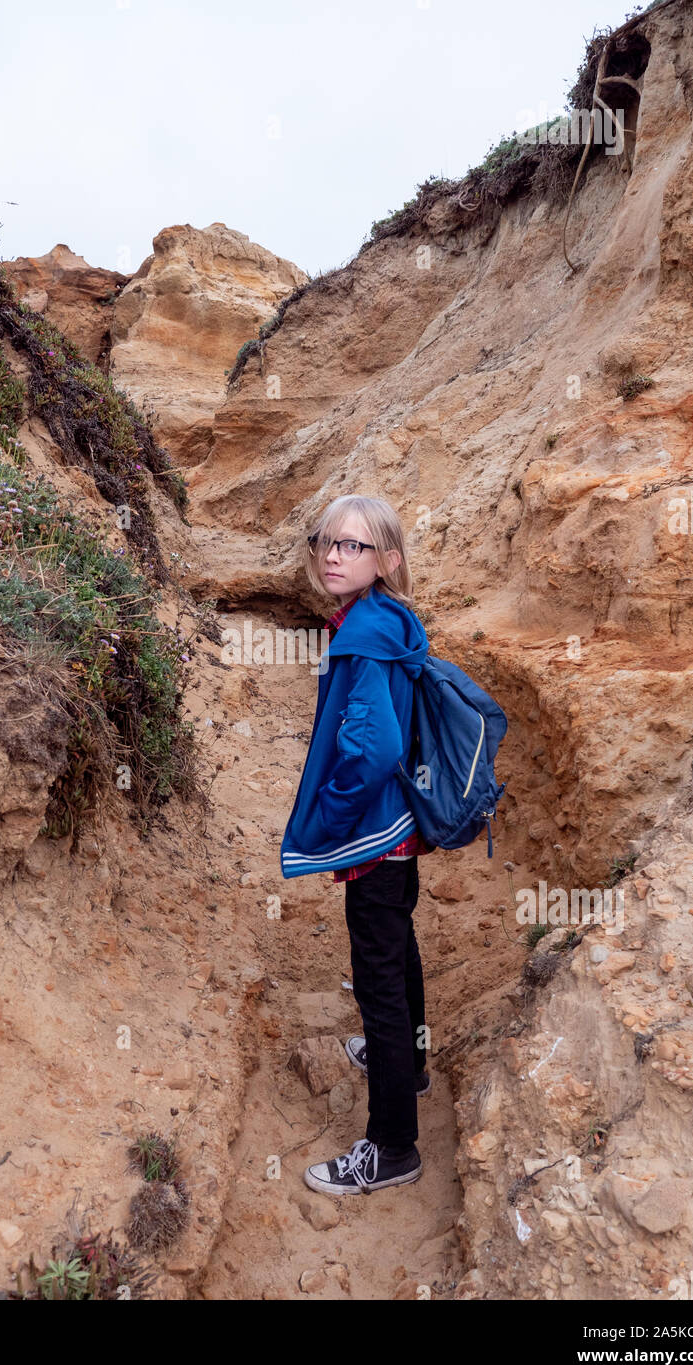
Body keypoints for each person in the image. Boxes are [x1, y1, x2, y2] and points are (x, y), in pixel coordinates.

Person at [280, 495, 435, 1195]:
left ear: (388, 561)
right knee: (396, 948)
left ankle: (393, 1148)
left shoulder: (362, 636)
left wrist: (334, 819)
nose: (334, 555)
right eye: (326, 542)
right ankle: (411, 1061)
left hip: (374, 832)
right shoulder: (387, 621)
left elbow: (370, 749)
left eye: (354, 546)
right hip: (400, 826)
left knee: (377, 977)